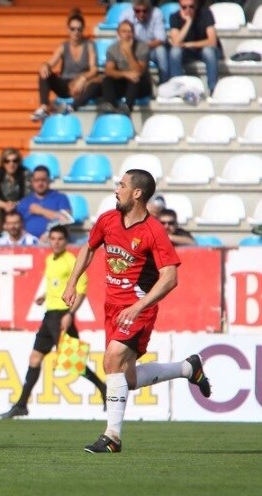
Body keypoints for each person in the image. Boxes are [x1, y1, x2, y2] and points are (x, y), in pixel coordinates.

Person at [62, 169, 211, 453]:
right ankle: (188, 368)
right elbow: (88, 249)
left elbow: (170, 277)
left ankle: (112, 437)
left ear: (137, 193)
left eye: (122, 185)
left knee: (112, 358)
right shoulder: (107, 219)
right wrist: (72, 283)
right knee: (125, 379)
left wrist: (139, 305)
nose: (116, 189)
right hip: (112, 308)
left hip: (138, 308)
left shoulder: (153, 230)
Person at [0, 225, 106, 419]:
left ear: (66, 241)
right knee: (35, 358)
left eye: (60, 239)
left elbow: (81, 290)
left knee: (72, 362)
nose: (56, 242)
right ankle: (22, 405)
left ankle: (103, 388)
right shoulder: (50, 259)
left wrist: (70, 314)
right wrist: (43, 296)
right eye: (53, 238)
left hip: (62, 315)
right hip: (49, 315)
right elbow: (56, 286)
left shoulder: (71, 261)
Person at [31, 8, 99, 121]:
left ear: (83, 30)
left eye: (79, 29)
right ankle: (44, 107)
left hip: (81, 84)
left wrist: (82, 78)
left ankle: (70, 107)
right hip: (65, 84)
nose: (76, 32)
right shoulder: (64, 46)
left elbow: (94, 69)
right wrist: (44, 65)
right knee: (44, 74)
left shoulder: (89, 45)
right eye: (73, 29)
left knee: (95, 84)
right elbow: (50, 63)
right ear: (68, 30)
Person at [98, 20, 152, 116]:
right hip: (123, 83)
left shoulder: (142, 47)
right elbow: (109, 71)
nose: (127, 34)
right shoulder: (112, 48)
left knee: (135, 79)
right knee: (107, 79)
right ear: (118, 33)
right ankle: (110, 106)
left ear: (133, 33)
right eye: (124, 31)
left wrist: (128, 53)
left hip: (141, 85)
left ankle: (127, 108)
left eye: (129, 31)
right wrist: (125, 74)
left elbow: (139, 71)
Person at [168, 0, 220, 92]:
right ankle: (178, 89)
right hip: (186, 52)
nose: (188, 10)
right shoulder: (174, 17)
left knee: (209, 52)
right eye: (184, 7)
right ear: (180, 7)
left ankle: (213, 89)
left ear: (196, 5)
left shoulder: (205, 13)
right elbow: (176, 43)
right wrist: (188, 22)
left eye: (191, 6)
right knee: (174, 52)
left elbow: (212, 41)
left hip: (203, 50)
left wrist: (189, 44)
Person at [16, 166, 72, 241]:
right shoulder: (25, 202)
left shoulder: (60, 198)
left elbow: (66, 219)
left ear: (49, 181)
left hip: (54, 242)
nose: (40, 183)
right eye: (37, 180)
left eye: (43, 180)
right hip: (29, 243)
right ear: (32, 182)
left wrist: (40, 211)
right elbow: (16, 224)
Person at [120, 0, 169, 84]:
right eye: (138, 11)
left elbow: (161, 39)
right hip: (133, 49)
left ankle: (164, 83)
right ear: (134, 10)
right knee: (121, 48)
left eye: (144, 11)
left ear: (149, 9)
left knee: (161, 50)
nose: (141, 14)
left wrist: (142, 47)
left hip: (151, 49)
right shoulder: (126, 14)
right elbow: (121, 35)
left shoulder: (156, 13)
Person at [0, 148, 31, 235]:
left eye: (14, 161)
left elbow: (28, 196)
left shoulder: (25, 173)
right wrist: (6, 205)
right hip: (5, 206)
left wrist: (14, 205)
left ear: (19, 162)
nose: (11, 164)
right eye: (7, 161)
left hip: (21, 204)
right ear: (3, 163)